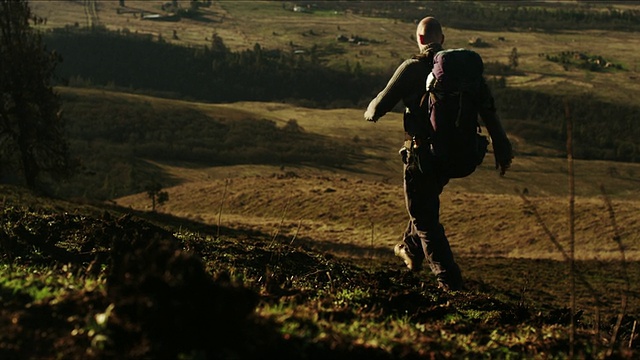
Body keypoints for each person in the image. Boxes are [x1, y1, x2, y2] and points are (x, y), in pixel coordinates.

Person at [363, 16, 513, 291]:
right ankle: (408, 248)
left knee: (424, 218)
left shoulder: (411, 68)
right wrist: (502, 149)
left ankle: (449, 280)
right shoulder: (466, 74)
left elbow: (376, 109)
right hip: (456, 155)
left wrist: (370, 108)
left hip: (421, 157)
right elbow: (489, 113)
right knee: (424, 204)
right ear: (442, 40)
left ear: (419, 39)